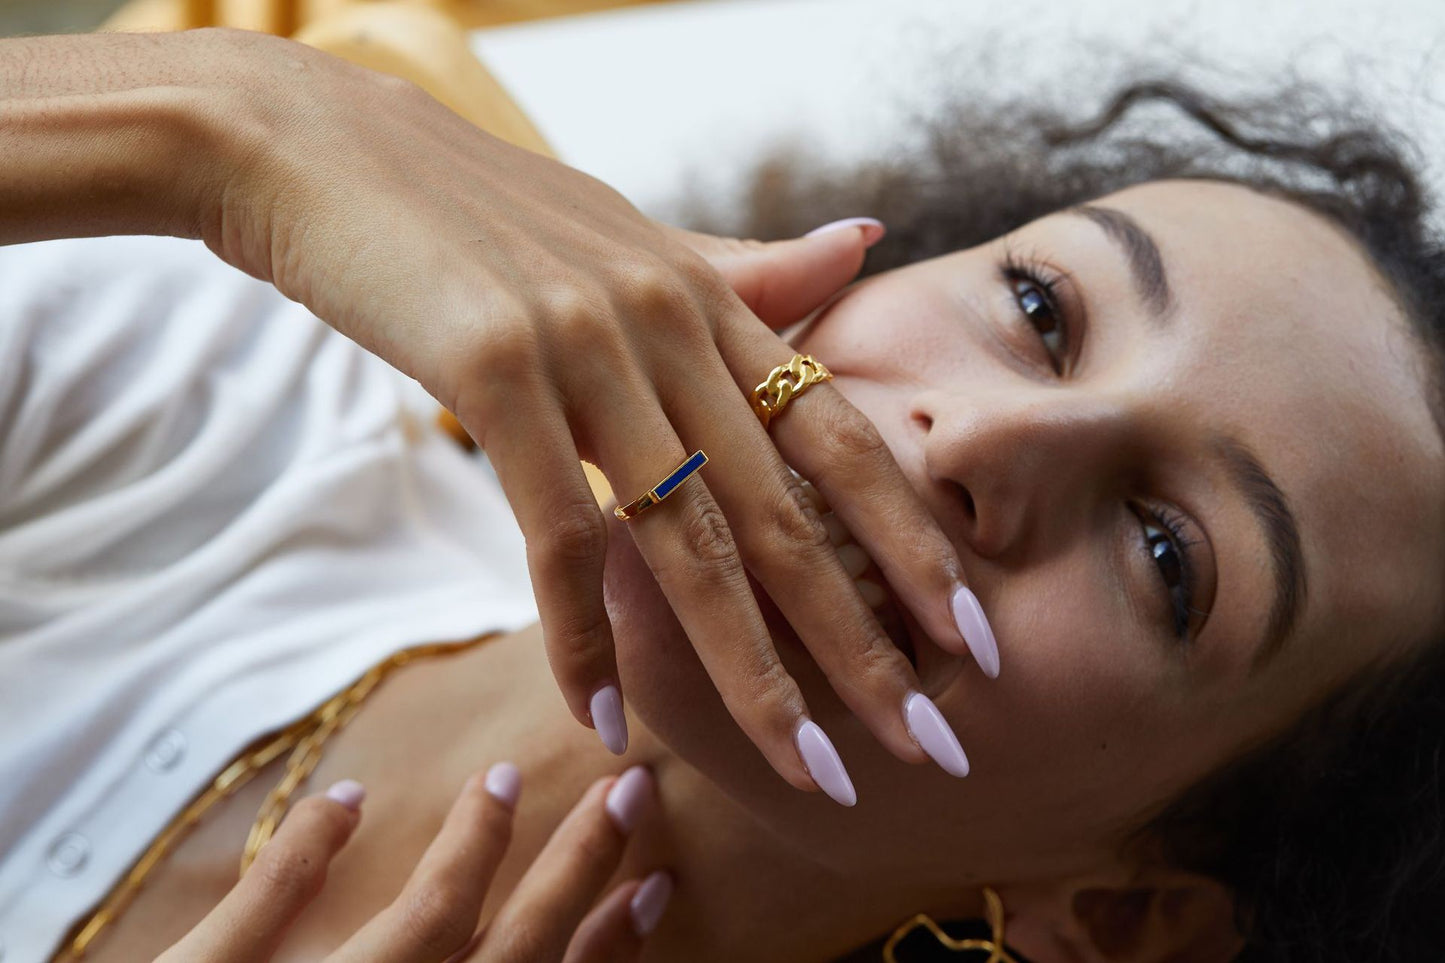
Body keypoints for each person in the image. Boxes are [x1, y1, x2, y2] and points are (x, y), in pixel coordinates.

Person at [0, 26, 1440, 963]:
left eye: (1163, 554)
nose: (978, 441)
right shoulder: (226, 379)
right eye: (1039, 309)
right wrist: (232, 123)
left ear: (1127, 915)